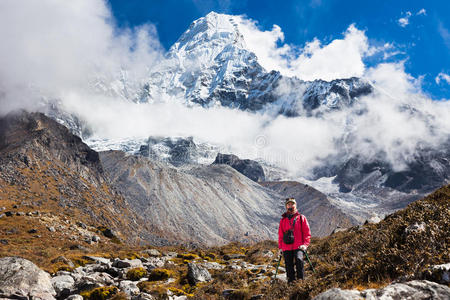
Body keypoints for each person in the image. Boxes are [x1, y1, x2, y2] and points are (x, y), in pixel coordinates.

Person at [277, 197, 311, 283]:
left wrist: (305, 245)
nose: (290, 206)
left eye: (292, 204)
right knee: (288, 266)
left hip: (299, 246)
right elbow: (280, 235)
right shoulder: (283, 220)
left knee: (299, 260)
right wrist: (280, 248)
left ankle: (301, 282)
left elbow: (307, 233)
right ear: (286, 207)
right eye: (289, 204)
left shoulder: (301, 218)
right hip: (286, 247)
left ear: (296, 205)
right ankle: (291, 284)